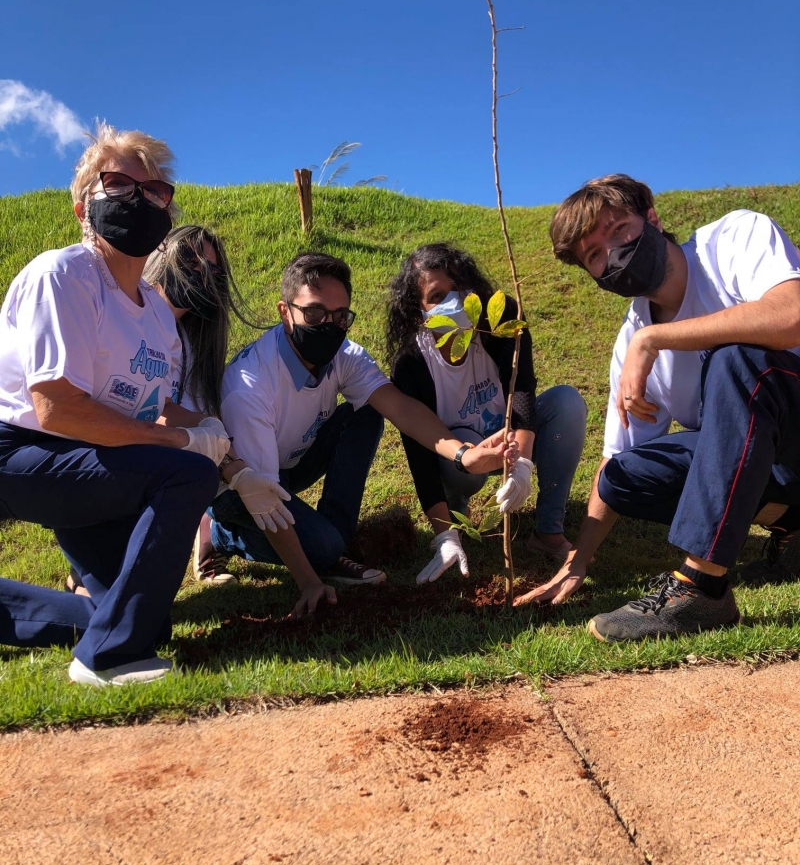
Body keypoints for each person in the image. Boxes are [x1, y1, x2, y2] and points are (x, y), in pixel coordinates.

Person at [516, 174, 800, 641]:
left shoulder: (733, 240)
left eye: (618, 229)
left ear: (651, 218)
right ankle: (792, 522)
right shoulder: (629, 339)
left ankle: (702, 588)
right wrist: (577, 561)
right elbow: (614, 461)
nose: (611, 253)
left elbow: (791, 315)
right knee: (624, 477)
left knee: (736, 360)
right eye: (593, 255)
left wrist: (656, 339)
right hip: (772, 458)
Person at [0, 124, 230, 686]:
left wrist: (207, 427)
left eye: (154, 191)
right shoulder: (64, 275)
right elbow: (57, 408)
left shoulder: (155, 312)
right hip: (18, 451)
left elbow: (156, 407)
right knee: (183, 474)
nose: (140, 199)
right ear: (83, 207)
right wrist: (182, 444)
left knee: (141, 617)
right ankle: (106, 660)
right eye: (117, 185)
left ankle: (112, 634)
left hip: (82, 460)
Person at [198, 251, 518, 617]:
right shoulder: (250, 387)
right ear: (285, 311)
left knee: (364, 413)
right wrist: (309, 581)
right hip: (243, 486)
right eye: (315, 313)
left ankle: (336, 541)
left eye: (340, 317)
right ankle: (218, 531)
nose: (329, 325)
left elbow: (401, 408)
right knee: (319, 551)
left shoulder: (343, 355)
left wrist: (465, 454)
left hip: (290, 463)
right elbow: (265, 498)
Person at [388, 243, 587, 583]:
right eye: (436, 296)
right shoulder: (412, 364)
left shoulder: (501, 320)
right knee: (463, 449)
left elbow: (521, 388)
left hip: (510, 438)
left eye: (459, 289)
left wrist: (521, 464)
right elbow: (419, 450)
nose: (452, 302)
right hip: (461, 458)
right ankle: (456, 519)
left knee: (566, 403)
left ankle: (548, 531)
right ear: (417, 311)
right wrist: (443, 534)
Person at [144, 224, 264, 586]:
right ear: (162, 253)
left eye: (211, 270)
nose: (198, 273)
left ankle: (206, 542)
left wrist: (232, 463)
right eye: (189, 260)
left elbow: (192, 418)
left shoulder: (191, 341)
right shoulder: (132, 317)